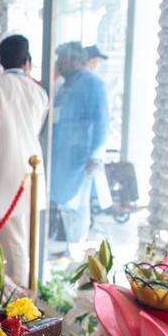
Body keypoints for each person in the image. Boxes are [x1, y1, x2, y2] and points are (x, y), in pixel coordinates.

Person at [0, 35, 48, 287]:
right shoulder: (38, 91)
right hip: (32, 167)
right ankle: (21, 292)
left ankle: (22, 300)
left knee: (12, 241)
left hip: (6, 168)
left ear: (1, 61)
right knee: (23, 238)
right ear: (27, 61)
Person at [50, 42, 109, 243]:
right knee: (65, 205)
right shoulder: (65, 84)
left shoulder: (93, 84)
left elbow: (101, 121)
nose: (58, 64)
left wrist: (95, 156)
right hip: (61, 156)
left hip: (80, 157)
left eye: (61, 59)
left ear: (74, 61)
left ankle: (76, 247)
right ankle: (68, 245)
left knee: (78, 205)